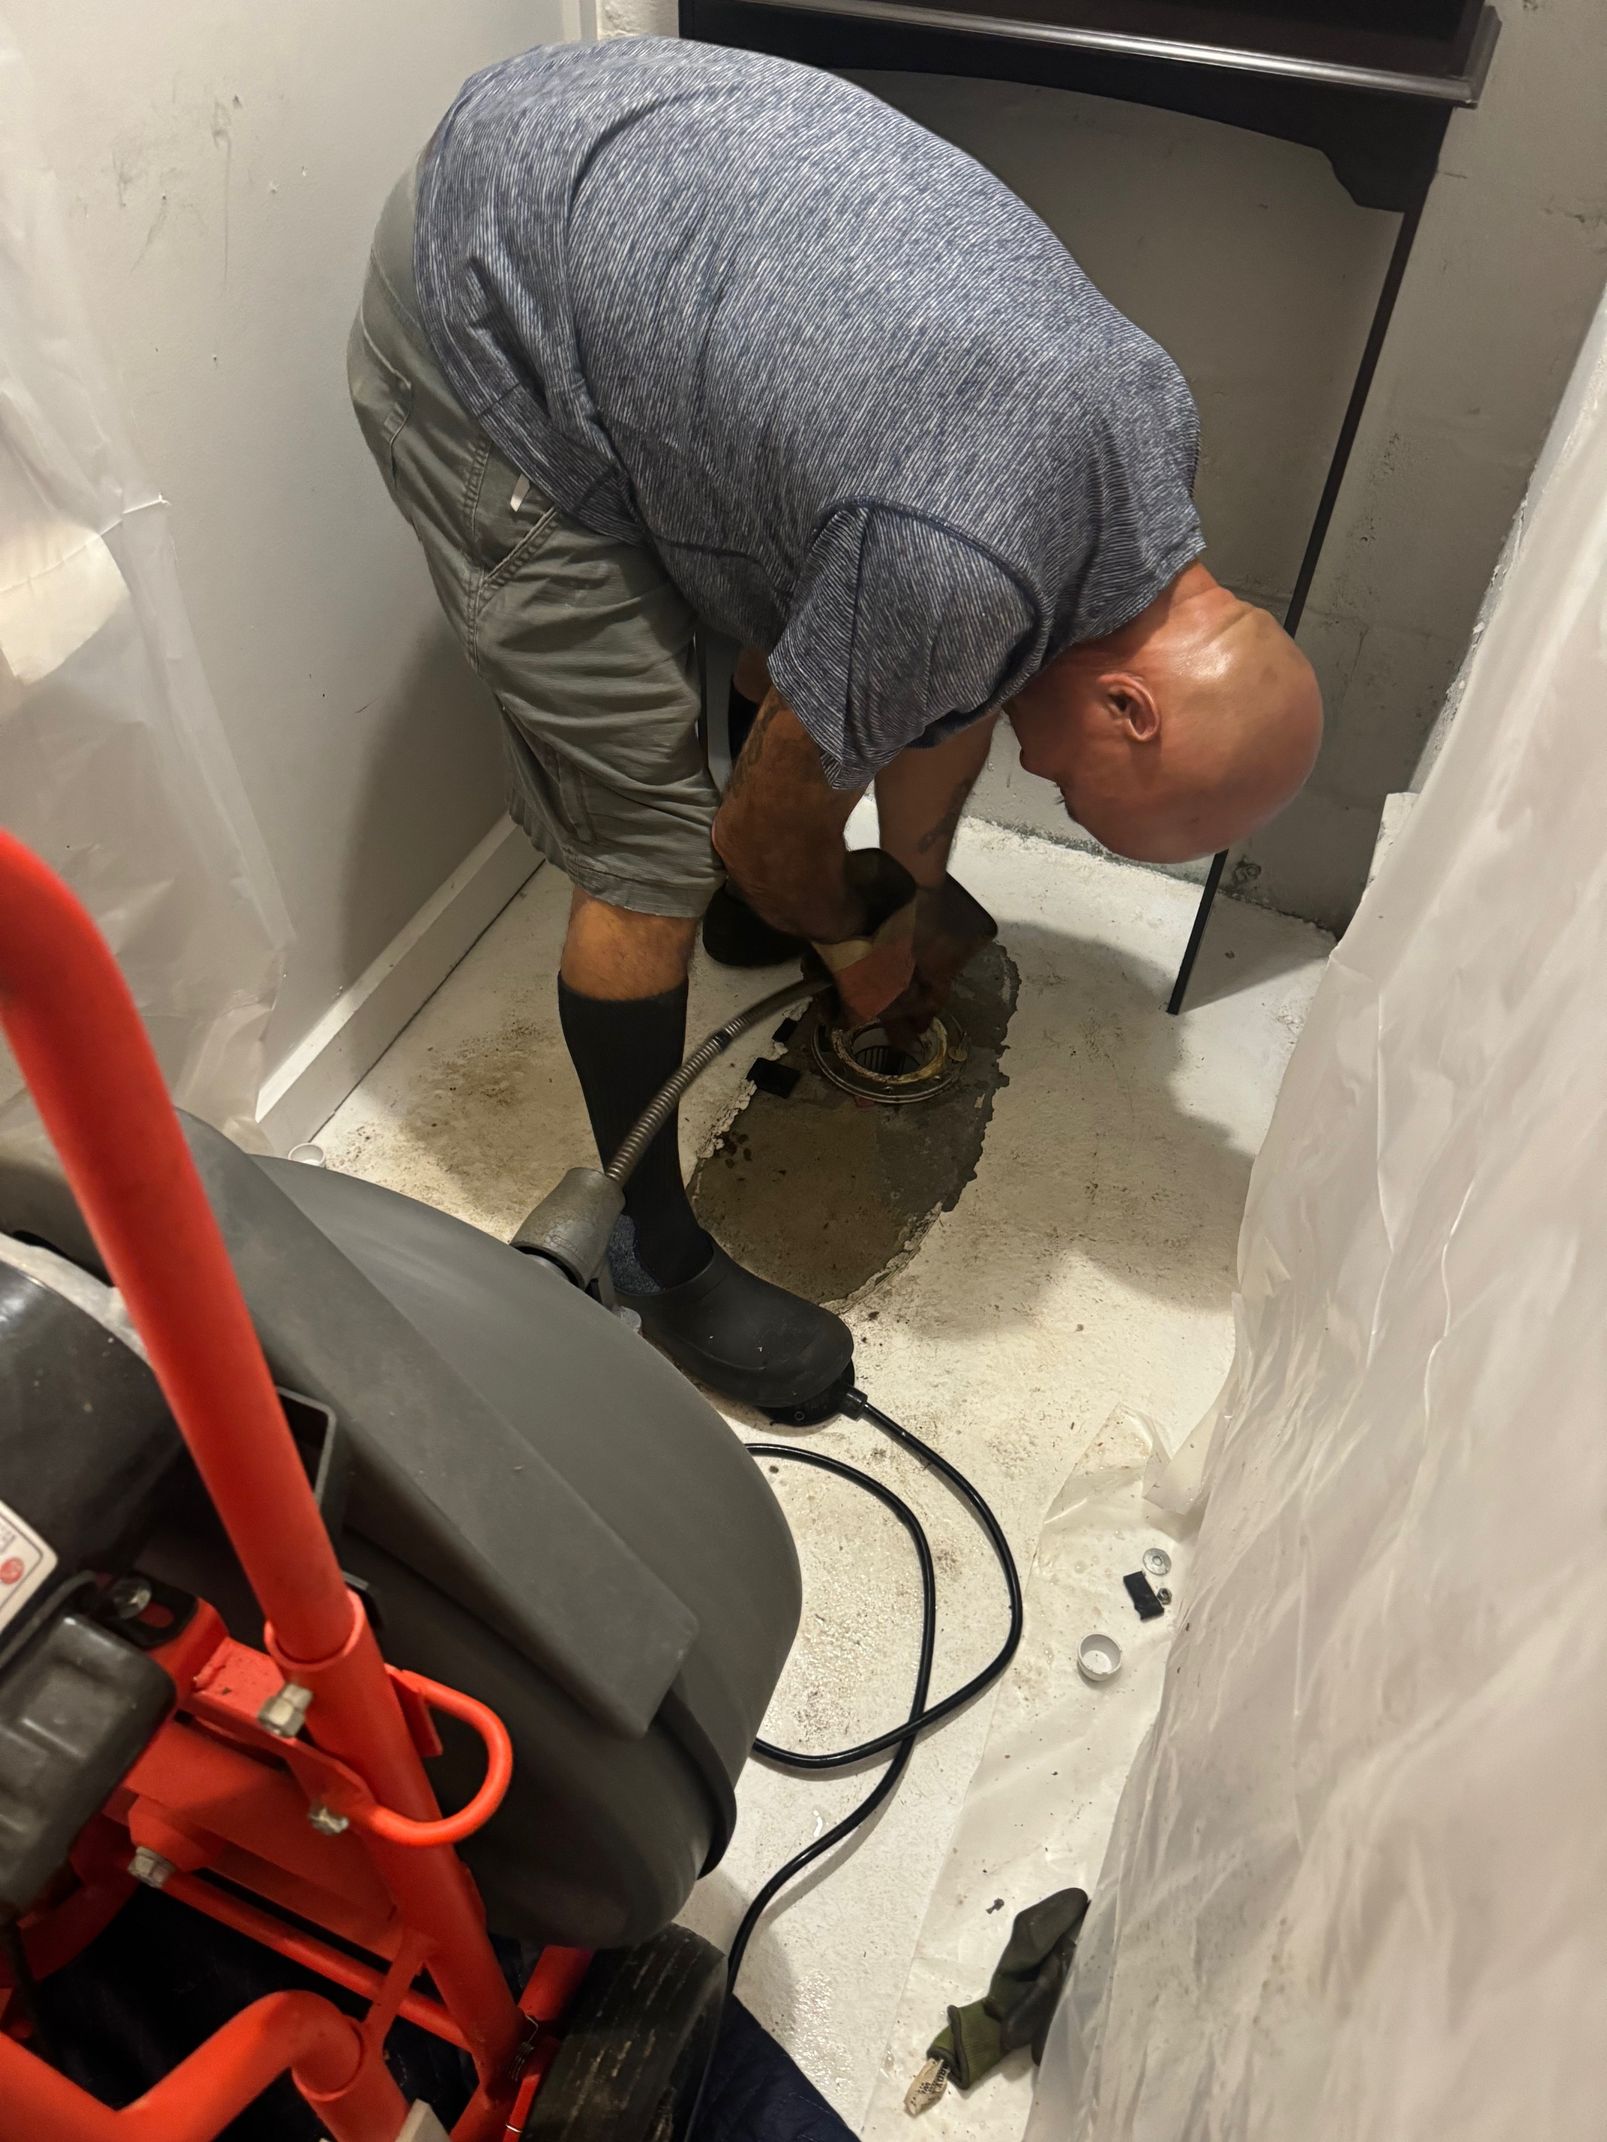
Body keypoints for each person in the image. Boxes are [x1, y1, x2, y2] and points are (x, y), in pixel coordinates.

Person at [347, 38, 1322, 1412]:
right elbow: (783, 792)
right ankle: (652, 1260)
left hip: (607, 144)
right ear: (1129, 700)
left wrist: (898, 893)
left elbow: (935, 670)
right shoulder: (964, 564)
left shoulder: (1146, 442)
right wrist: (858, 948)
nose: (1047, 776)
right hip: (489, 307)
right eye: (1085, 789)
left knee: (819, 660)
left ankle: (778, 911)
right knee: (661, 848)